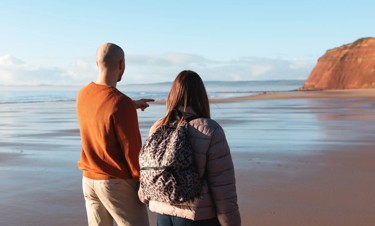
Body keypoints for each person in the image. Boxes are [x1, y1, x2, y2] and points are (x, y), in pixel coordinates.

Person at [139, 70, 241, 226]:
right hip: (198, 217)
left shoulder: (158, 126)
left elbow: (148, 166)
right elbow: (222, 186)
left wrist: (144, 194)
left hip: (163, 214)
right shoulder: (209, 129)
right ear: (201, 95)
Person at [76, 42, 153, 226]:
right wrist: (142, 183)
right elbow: (132, 150)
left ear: (97, 64)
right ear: (121, 64)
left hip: (88, 179)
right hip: (115, 182)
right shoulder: (120, 103)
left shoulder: (83, 94)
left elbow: (100, 110)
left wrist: (130, 105)